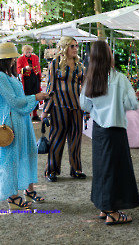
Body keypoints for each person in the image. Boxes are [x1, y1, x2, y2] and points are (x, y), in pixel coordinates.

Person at [80, 40, 139, 225]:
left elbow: (84, 105)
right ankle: (112, 212)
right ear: (108, 56)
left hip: (99, 130)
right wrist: (118, 104)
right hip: (115, 130)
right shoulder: (119, 79)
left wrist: (99, 108)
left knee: (101, 169)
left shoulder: (91, 79)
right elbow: (133, 104)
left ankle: (104, 206)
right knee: (116, 170)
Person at [0, 42, 49, 209]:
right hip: (11, 123)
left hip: (22, 120)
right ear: (8, 59)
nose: (15, 60)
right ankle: (12, 196)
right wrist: (35, 97)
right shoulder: (1, 76)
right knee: (11, 160)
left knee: (28, 154)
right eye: (13, 57)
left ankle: (29, 189)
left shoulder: (10, 74)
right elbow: (13, 101)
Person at [41, 37, 85, 182]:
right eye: (72, 46)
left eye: (77, 46)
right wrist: (46, 110)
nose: (75, 49)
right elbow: (50, 87)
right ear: (65, 47)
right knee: (57, 140)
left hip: (77, 107)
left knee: (76, 139)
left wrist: (88, 109)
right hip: (59, 106)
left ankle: (76, 170)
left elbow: (84, 88)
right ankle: (51, 171)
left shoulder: (79, 65)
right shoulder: (55, 64)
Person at [17, 45, 42, 121]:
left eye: (30, 52)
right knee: (28, 96)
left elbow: (38, 67)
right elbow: (18, 70)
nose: (28, 53)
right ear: (23, 52)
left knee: (36, 95)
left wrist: (39, 77)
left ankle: (35, 114)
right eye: (27, 52)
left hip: (35, 78)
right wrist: (25, 68)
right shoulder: (20, 59)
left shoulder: (35, 57)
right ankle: (28, 114)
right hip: (27, 79)